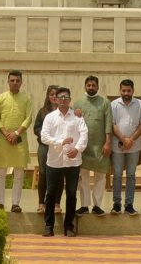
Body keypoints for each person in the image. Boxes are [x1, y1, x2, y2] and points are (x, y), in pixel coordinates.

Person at [40, 87, 88, 237]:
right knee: (51, 194)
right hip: (54, 161)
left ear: (69, 100)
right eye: (60, 97)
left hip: (73, 162)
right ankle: (49, 226)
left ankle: (69, 226)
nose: (62, 100)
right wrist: (61, 141)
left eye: (66, 97)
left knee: (72, 193)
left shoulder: (77, 117)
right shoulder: (50, 117)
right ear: (55, 99)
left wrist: (78, 149)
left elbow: (84, 135)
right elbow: (44, 137)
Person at [0, 69, 32, 212]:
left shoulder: (26, 99)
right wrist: (6, 134)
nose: (15, 83)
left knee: (19, 173)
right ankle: (0, 203)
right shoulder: (0, 98)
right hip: (2, 140)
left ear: (21, 82)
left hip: (19, 139)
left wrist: (16, 133)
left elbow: (28, 118)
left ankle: (15, 203)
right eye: (12, 80)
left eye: (17, 81)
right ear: (8, 81)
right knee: (1, 172)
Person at [74, 75, 112, 215]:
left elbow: (108, 124)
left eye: (93, 85)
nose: (91, 88)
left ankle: (97, 205)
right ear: (85, 86)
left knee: (100, 177)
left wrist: (108, 143)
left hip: (100, 146)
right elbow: (74, 126)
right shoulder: (78, 104)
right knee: (83, 176)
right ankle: (84, 205)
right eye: (88, 85)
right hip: (83, 147)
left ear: (97, 87)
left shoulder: (105, 103)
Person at [110, 78, 141, 215]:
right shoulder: (114, 105)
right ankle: (116, 204)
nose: (126, 93)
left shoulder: (140, 104)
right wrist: (123, 139)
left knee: (131, 175)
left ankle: (129, 204)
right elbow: (113, 124)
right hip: (117, 146)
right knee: (118, 174)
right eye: (123, 90)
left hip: (134, 146)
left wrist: (130, 140)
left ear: (133, 91)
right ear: (120, 91)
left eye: (128, 90)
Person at [33, 85, 59, 213]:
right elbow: (36, 128)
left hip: (59, 148)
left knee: (58, 175)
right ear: (48, 96)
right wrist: (45, 136)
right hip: (44, 146)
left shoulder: (65, 110)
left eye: (56, 94)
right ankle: (41, 203)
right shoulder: (42, 111)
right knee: (43, 173)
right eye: (52, 94)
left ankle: (56, 204)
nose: (54, 96)